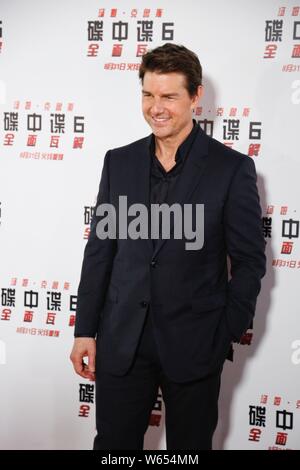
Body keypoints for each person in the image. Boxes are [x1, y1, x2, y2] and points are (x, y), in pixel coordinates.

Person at [70, 43, 266, 450]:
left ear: (195, 97)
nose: (156, 107)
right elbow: (100, 251)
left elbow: (248, 262)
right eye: (148, 94)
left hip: (196, 345)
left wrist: (224, 331)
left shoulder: (231, 170)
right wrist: (85, 329)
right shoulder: (118, 163)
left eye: (169, 96)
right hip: (122, 340)